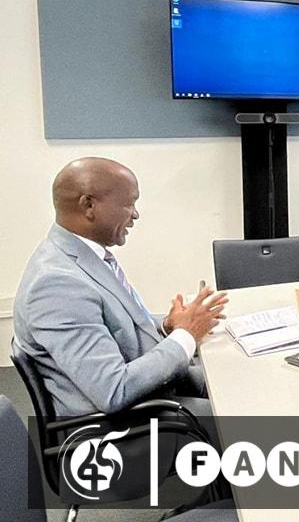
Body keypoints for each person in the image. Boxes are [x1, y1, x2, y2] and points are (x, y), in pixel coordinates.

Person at [13, 157, 228, 416]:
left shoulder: (84, 256)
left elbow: (115, 324)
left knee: (239, 386)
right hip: (124, 424)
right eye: (129, 204)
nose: (135, 214)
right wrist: (186, 334)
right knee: (251, 416)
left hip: (155, 392)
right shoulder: (57, 284)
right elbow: (114, 390)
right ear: (89, 205)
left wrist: (168, 325)